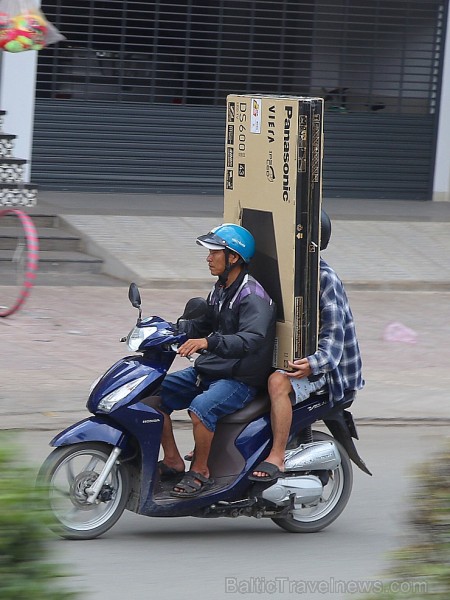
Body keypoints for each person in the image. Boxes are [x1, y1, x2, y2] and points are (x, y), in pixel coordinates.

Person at [157, 223, 277, 497]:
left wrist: (207, 342)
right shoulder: (221, 288)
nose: (208, 258)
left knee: (201, 408)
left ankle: (200, 471)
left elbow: (250, 340)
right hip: (213, 369)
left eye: (214, 252)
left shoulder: (252, 297)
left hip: (239, 378)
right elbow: (204, 323)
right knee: (152, 395)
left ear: (233, 257)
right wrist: (170, 330)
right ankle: (173, 459)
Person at [250, 210, 364, 481]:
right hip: (299, 360)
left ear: (310, 244)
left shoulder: (324, 279)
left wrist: (312, 364)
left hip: (330, 372)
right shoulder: (286, 274)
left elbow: (334, 341)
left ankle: (277, 456)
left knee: (278, 383)